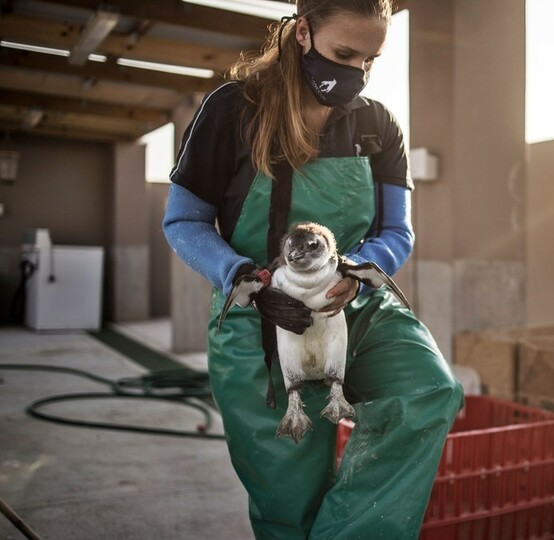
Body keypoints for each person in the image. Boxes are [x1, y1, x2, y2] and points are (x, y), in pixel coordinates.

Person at [162, 1, 464, 538]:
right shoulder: (233, 110)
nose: (357, 72)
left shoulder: (376, 125)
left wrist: (360, 271)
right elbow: (184, 221)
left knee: (427, 394)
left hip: (354, 304)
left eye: (370, 59)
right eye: (344, 53)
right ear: (303, 32)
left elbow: (397, 233)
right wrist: (239, 278)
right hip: (258, 317)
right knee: (289, 488)